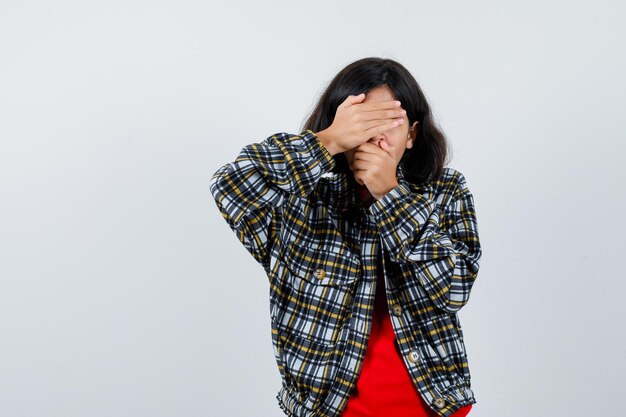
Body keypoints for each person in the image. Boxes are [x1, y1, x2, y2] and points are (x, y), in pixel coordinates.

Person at [209, 57, 482, 417]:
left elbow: (455, 289)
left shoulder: (445, 190)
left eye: (389, 123)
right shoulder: (301, 200)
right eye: (362, 122)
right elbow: (230, 186)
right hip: (326, 409)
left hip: (434, 406)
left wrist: (390, 195)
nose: (375, 136)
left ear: (412, 134)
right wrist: (328, 141)